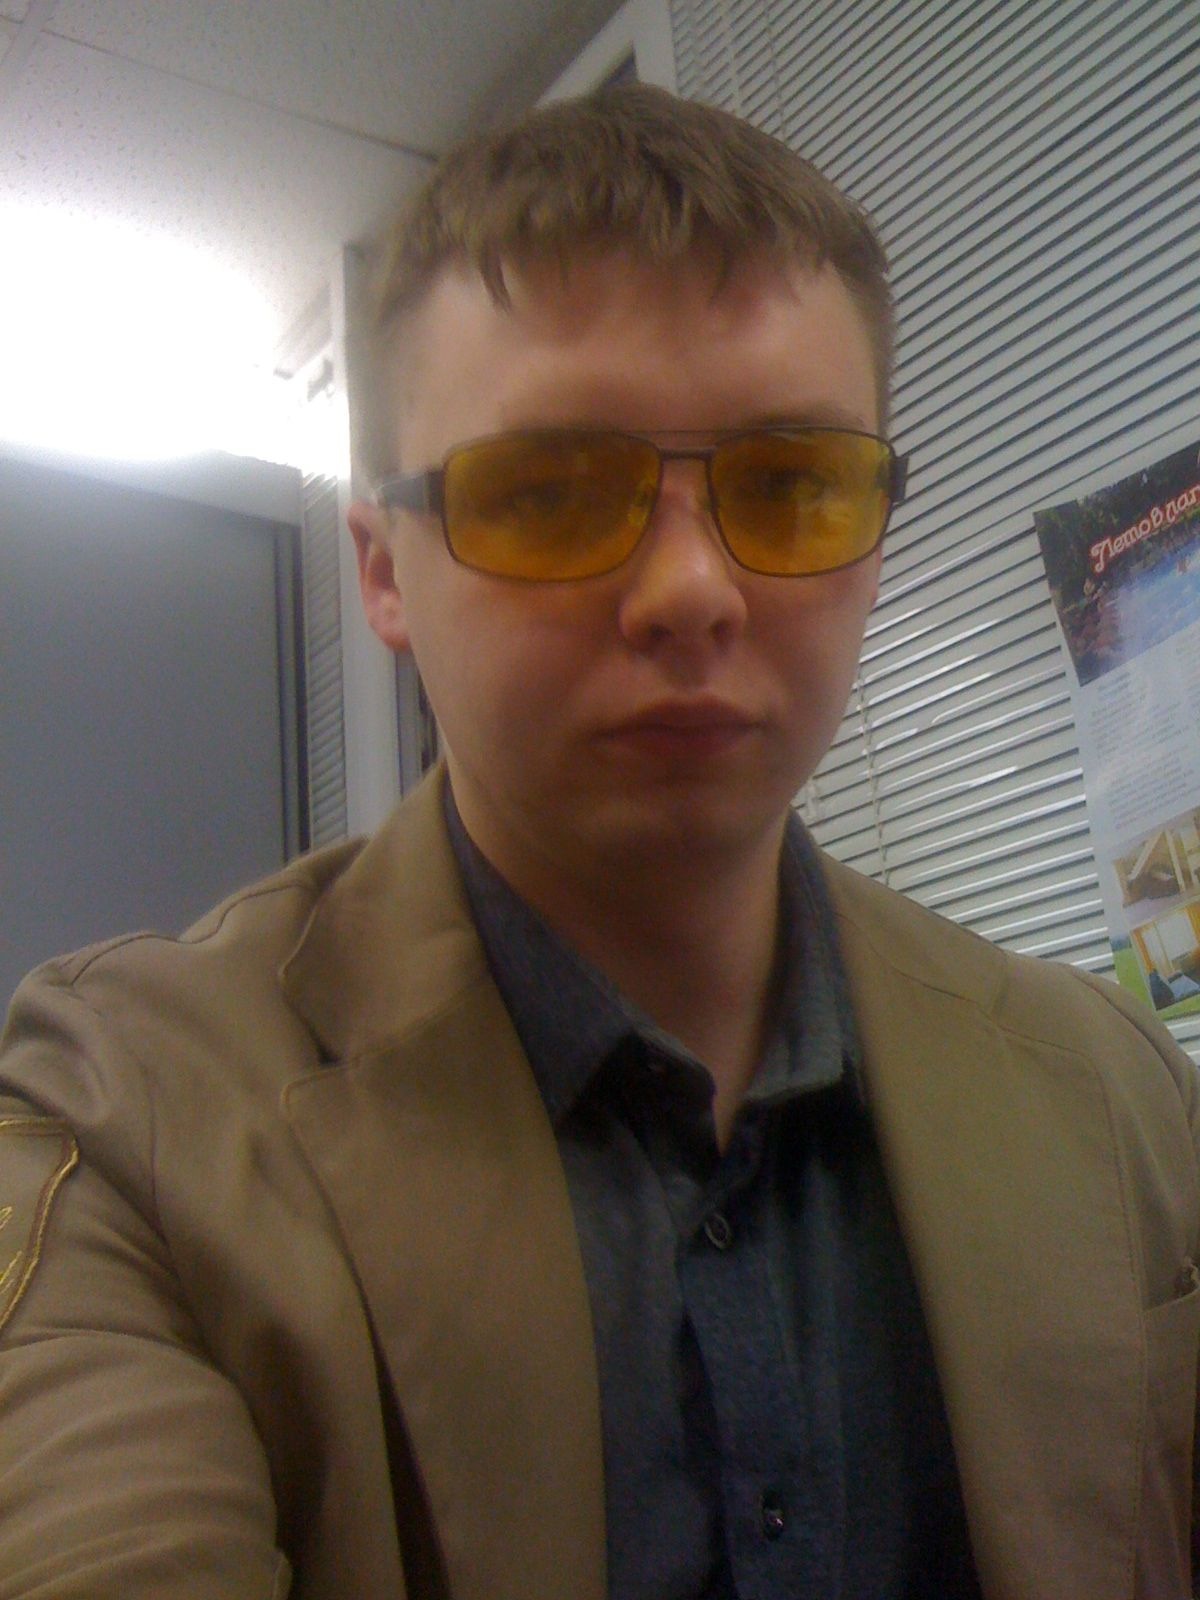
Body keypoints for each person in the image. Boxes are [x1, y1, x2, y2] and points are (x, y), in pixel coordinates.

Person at [0, 84, 1197, 1600]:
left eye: (792, 485)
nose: (691, 591)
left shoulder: (1117, 1093)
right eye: (553, 494)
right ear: (383, 571)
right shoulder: (124, 1115)